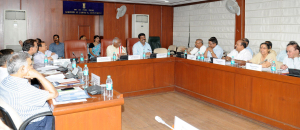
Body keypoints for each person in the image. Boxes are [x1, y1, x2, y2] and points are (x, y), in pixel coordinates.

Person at [0, 52, 58, 130]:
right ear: (22, 68)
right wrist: (38, 75)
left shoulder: (5, 81)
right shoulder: (23, 89)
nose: (32, 67)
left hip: (24, 117)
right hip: (38, 123)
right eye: (30, 65)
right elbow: (54, 93)